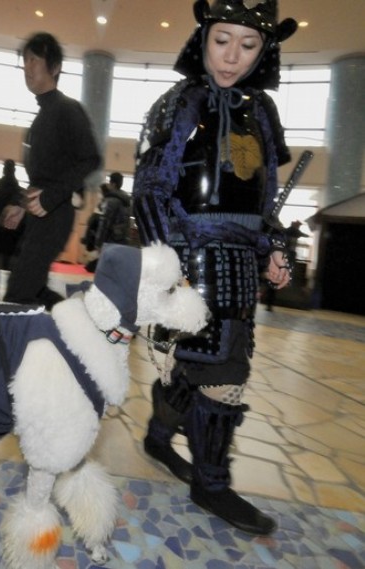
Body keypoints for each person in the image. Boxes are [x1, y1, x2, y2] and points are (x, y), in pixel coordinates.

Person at [133, 0, 297, 535]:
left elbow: (263, 201)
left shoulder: (263, 113)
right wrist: (166, 264)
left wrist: (273, 247)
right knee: (219, 370)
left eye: (248, 45)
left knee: (209, 367)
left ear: (264, 51)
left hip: (239, 265)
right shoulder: (179, 102)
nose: (232, 56)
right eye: (222, 39)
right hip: (188, 258)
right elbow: (151, 190)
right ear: (203, 36)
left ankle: (162, 440)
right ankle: (211, 482)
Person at [2, 32, 101, 309]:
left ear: (55, 68)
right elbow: (43, 178)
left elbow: (91, 158)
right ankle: (78, 324)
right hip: (41, 216)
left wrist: (50, 197)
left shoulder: (67, 109)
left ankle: (79, 329)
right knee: (32, 291)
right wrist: (22, 205)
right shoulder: (41, 118)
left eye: (35, 60)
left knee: (18, 294)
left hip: (55, 216)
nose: (28, 68)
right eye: (25, 61)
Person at [0, 159, 25, 299]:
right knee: (12, 262)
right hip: (15, 230)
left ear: (3, 170)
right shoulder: (20, 191)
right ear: (14, 171)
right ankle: (9, 290)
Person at [85, 172, 131, 272]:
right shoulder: (126, 201)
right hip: (122, 239)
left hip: (110, 240)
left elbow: (104, 223)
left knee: (102, 271)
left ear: (113, 184)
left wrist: (98, 243)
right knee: (115, 270)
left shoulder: (111, 200)